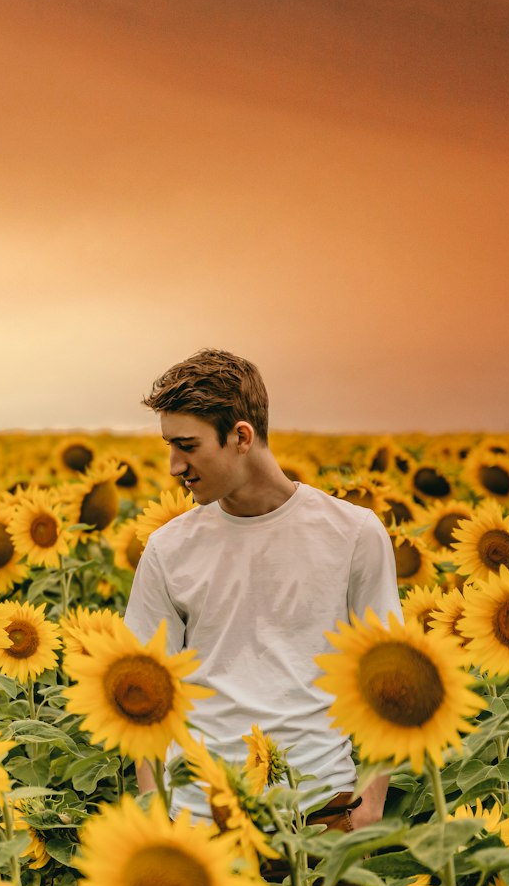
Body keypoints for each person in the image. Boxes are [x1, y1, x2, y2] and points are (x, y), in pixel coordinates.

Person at [124, 348, 402, 830]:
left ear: (241, 437)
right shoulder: (169, 548)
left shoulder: (352, 533)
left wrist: (371, 801)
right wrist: (155, 809)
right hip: (203, 814)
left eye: (187, 446)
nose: (173, 466)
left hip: (322, 807)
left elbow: (391, 677)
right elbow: (141, 693)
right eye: (170, 447)